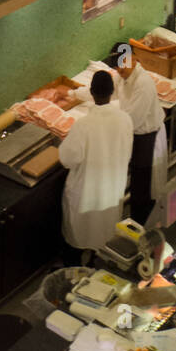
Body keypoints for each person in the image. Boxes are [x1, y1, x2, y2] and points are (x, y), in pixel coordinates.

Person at [57, 68, 133, 259]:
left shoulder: (84, 125)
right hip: (112, 188)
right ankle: (94, 265)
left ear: (91, 93)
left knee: (79, 236)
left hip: (85, 192)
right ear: (111, 93)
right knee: (103, 233)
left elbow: (67, 159)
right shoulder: (125, 119)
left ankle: (73, 270)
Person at [108, 45, 167, 228]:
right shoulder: (123, 75)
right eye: (117, 67)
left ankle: (142, 229)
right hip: (137, 136)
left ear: (133, 59)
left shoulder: (143, 83)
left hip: (147, 138)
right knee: (137, 184)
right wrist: (73, 95)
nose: (120, 71)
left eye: (122, 65)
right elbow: (108, 91)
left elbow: (134, 120)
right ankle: (136, 224)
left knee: (143, 189)